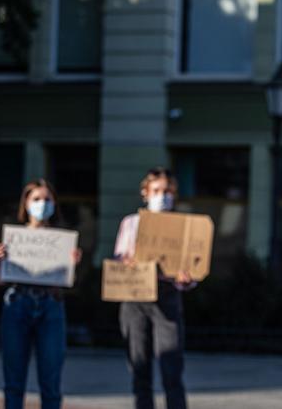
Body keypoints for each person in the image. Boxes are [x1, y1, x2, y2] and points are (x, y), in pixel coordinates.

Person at [0, 179, 82, 409]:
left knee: (51, 382)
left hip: (51, 305)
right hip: (17, 303)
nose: (42, 204)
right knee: (14, 381)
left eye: (47, 199)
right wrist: (2, 263)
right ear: (26, 203)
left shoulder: (63, 239)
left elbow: (72, 283)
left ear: (54, 203)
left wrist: (72, 265)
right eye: (36, 199)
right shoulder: (12, 236)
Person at [113, 167, 193, 409]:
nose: (163, 195)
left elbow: (191, 268)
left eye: (168, 191)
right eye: (157, 190)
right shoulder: (130, 223)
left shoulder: (183, 226)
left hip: (166, 297)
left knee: (172, 370)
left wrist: (186, 278)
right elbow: (118, 261)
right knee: (139, 370)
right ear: (145, 193)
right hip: (135, 298)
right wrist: (126, 264)